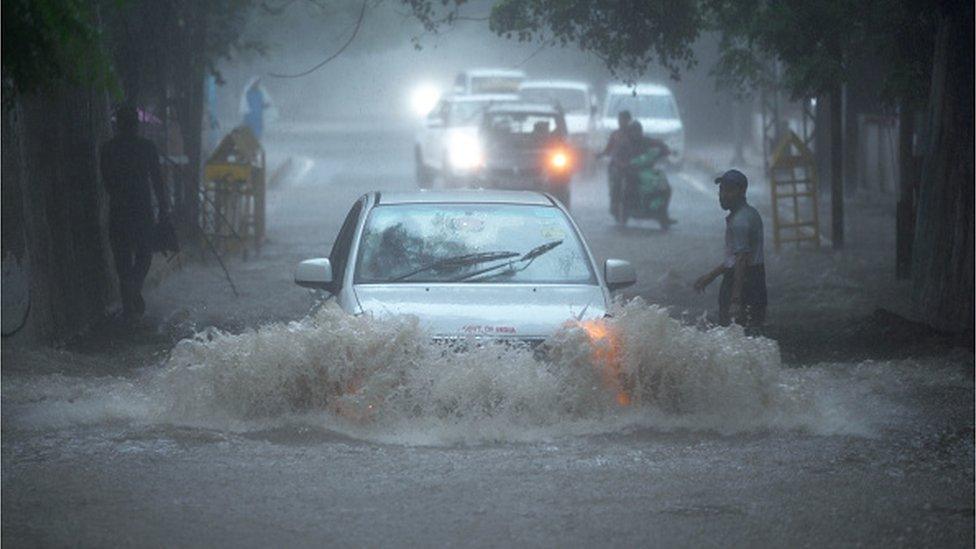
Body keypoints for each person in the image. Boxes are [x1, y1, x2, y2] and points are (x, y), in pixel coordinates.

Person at [100, 104, 169, 318]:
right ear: (136, 125)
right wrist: (164, 208)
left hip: (119, 208)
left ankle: (129, 303)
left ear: (117, 125)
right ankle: (133, 290)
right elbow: (157, 180)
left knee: (122, 259)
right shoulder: (147, 147)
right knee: (144, 255)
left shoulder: (108, 149)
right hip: (142, 209)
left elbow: (107, 182)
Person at [693, 169, 766, 333]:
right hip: (756, 279)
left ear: (742, 192)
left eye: (729, 190)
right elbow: (735, 258)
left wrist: (735, 299)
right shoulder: (750, 213)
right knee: (752, 332)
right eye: (721, 190)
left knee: (731, 333)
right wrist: (710, 276)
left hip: (742, 282)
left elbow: (740, 261)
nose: (723, 195)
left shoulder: (739, 221)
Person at [597, 110, 635, 215]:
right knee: (615, 185)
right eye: (620, 119)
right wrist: (599, 155)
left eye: (623, 120)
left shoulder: (633, 134)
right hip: (616, 166)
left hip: (631, 165)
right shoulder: (615, 134)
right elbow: (608, 149)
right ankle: (614, 204)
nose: (621, 122)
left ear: (628, 120)